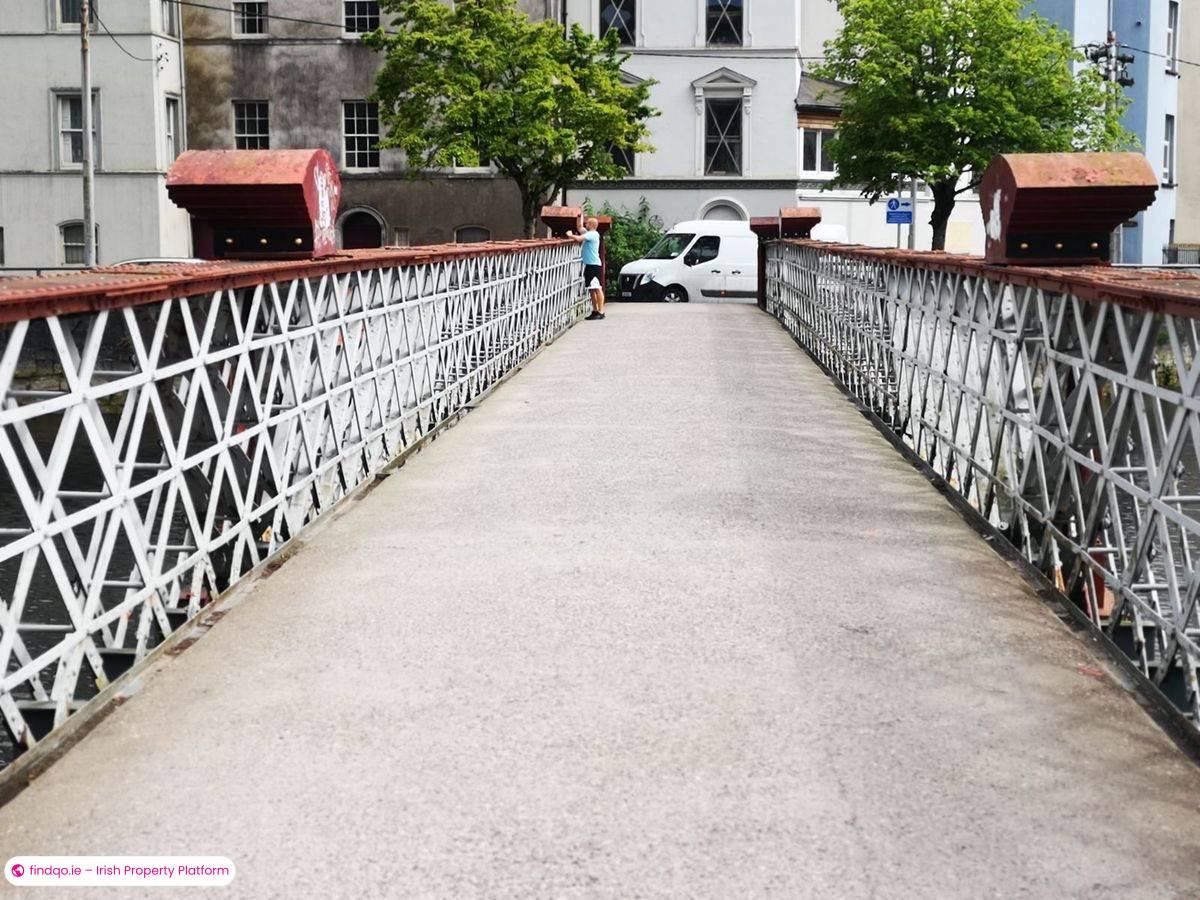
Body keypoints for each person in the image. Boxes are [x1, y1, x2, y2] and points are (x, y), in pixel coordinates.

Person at [567, 217, 606, 321]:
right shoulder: (589, 233)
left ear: (591, 225)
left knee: (597, 288)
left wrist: (570, 235)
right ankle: (595, 310)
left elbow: (579, 238)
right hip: (589, 265)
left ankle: (601, 311)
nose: (585, 224)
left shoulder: (592, 234)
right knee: (591, 289)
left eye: (587, 223)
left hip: (594, 265)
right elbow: (579, 227)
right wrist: (579, 217)